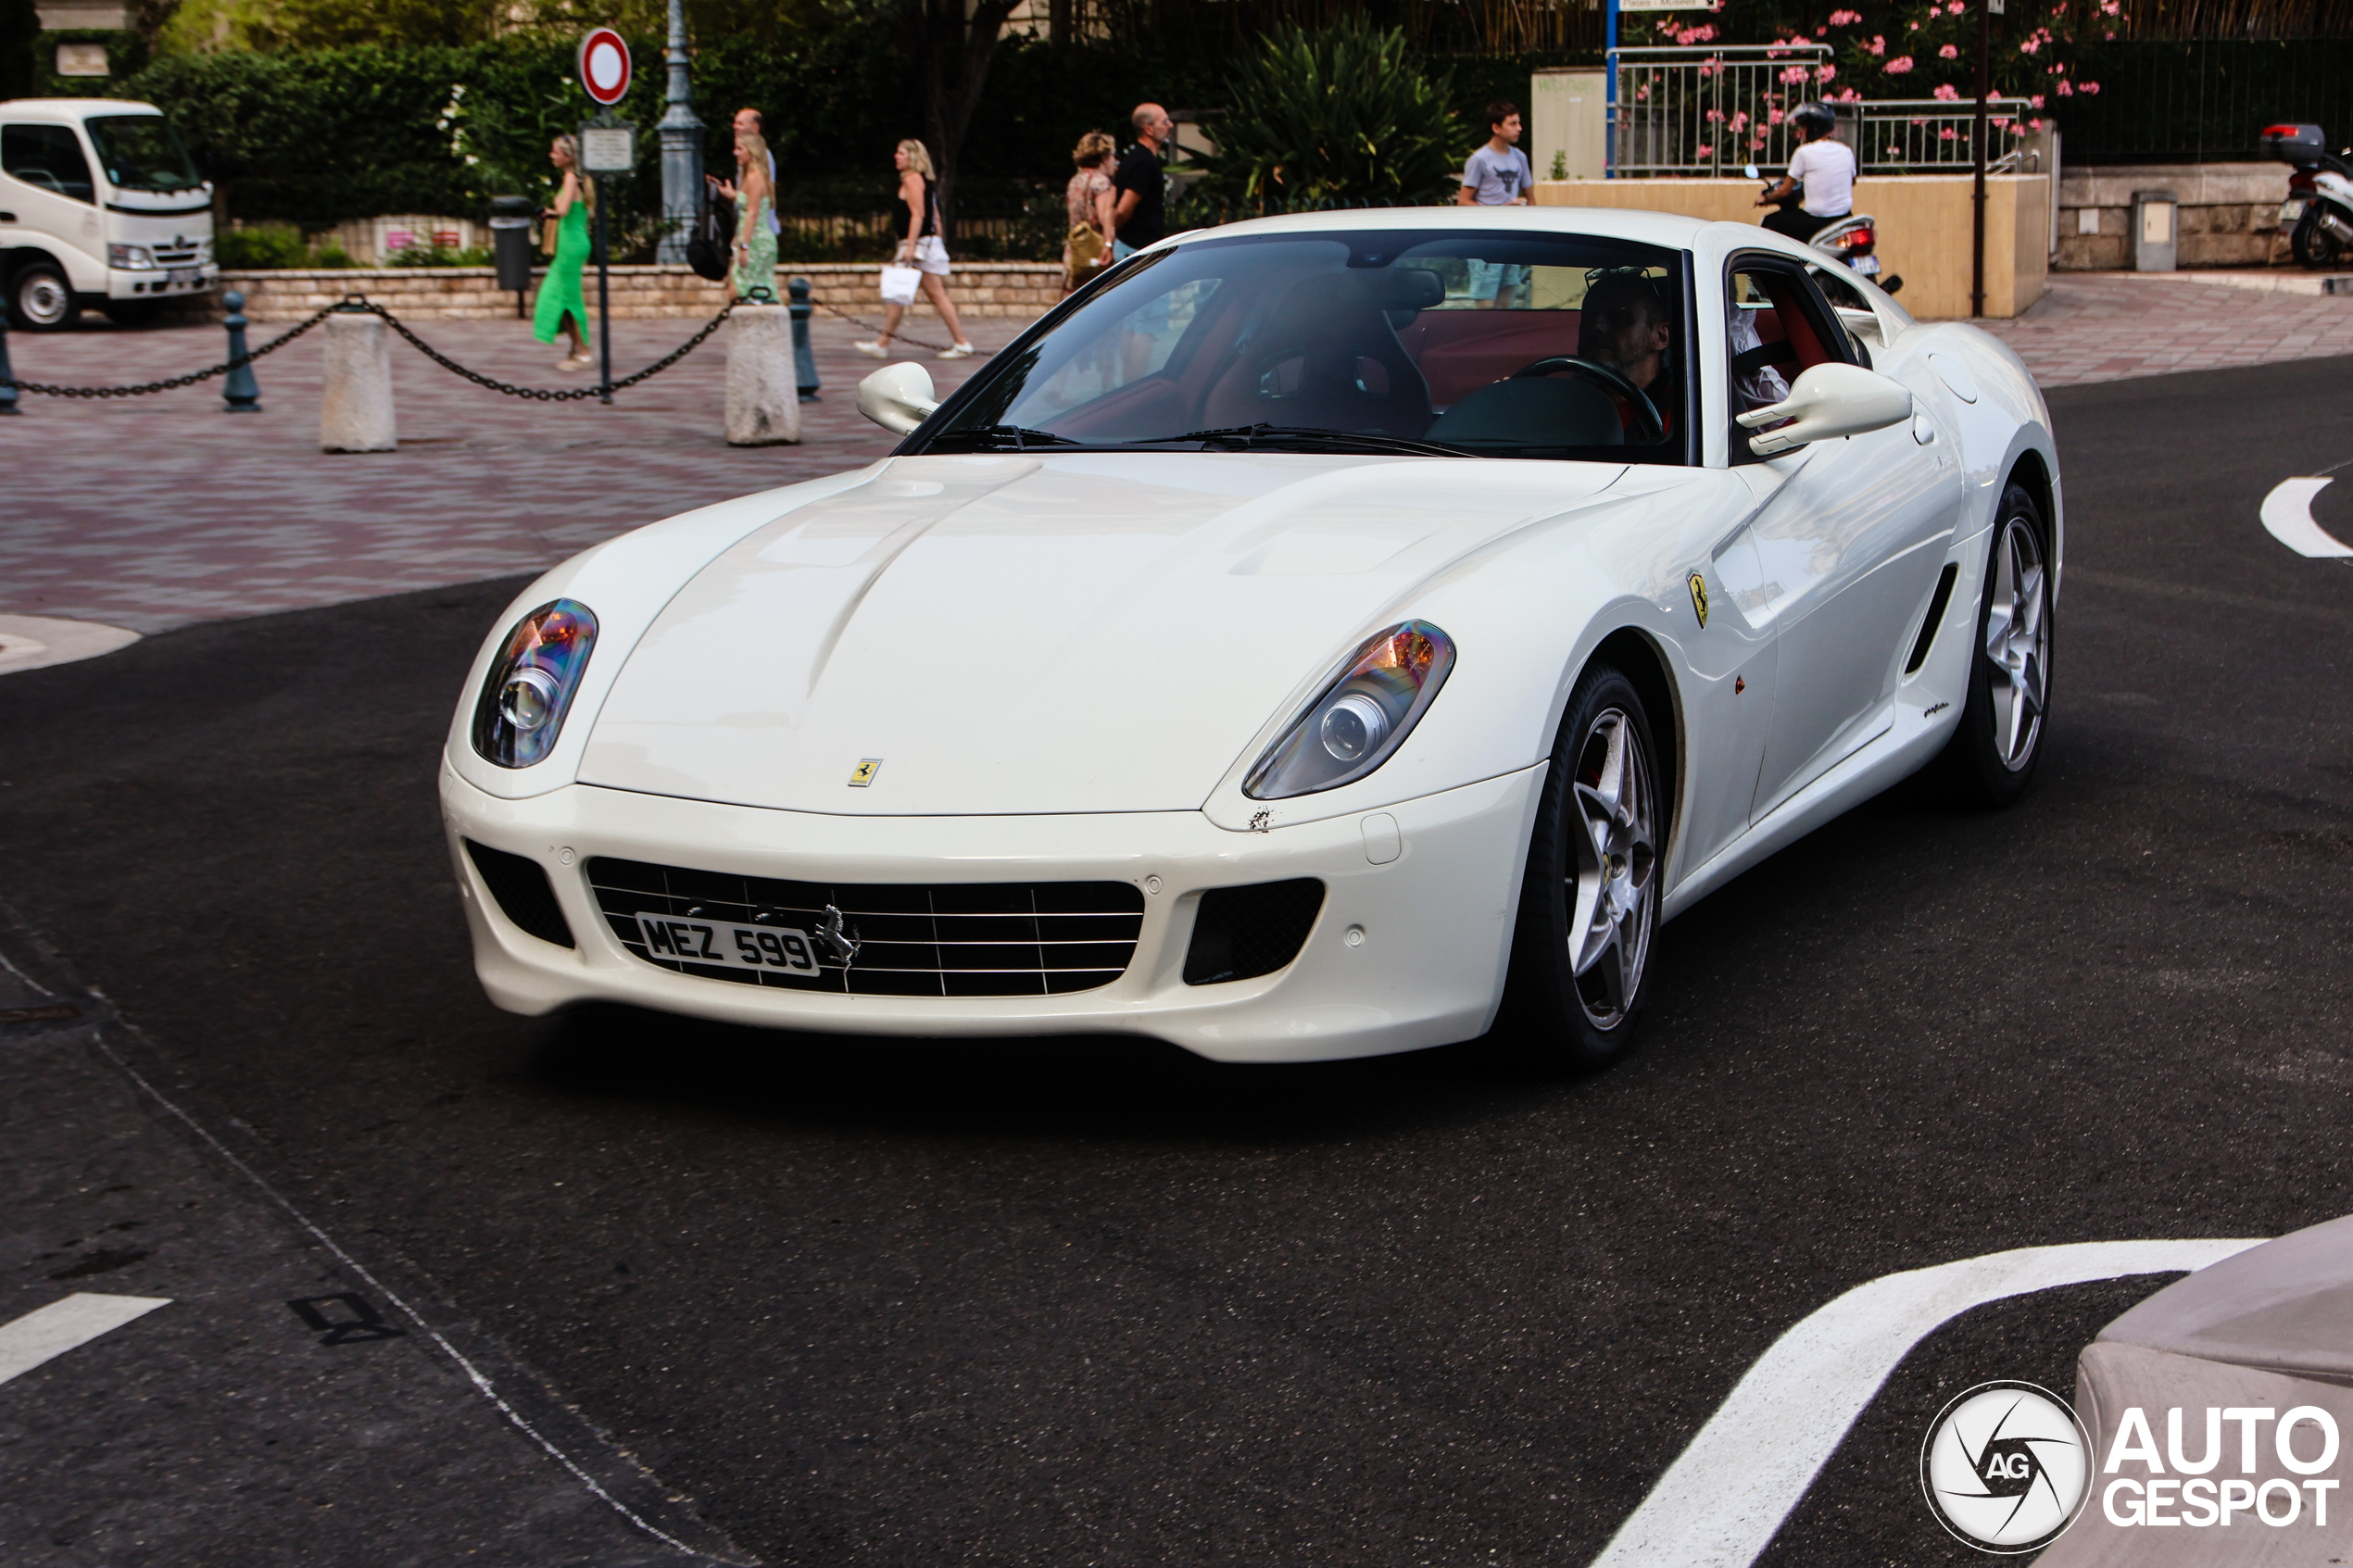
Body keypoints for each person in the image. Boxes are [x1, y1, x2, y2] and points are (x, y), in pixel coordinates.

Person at [854, 139, 975, 361]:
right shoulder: (920, 181)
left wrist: (910, 245)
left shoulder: (912, 180)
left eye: (901, 153)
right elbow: (935, 214)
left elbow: (918, 214)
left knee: (931, 294)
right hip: (923, 244)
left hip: (917, 246)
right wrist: (935, 238)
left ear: (913, 157)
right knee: (903, 295)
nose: (896, 156)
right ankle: (883, 343)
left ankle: (961, 341)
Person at [1576, 269, 1676, 437]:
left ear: (1660, 336)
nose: (1596, 327)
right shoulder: (1564, 401)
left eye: (1620, 317)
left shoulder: (1684, 413)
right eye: (1588, 318)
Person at [533, 134, 593, 371]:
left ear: (567, 156)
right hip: (573, 243)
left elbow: (564, 209)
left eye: (555, 152)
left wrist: (548, 212)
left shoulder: (570, 178)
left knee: (565, 297)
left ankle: (584, 352)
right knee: (562, 297)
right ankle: (577, 347)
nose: (552, 155)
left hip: (570, 246)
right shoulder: (579, 179)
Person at [1757, 103, 1856, 244]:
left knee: (1770, 221)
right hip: (1845, 218)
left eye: (1803, 127)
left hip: (1816, 221)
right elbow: (1852, 181)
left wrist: (1765, 199)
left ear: (1813, 128)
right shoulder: (1846, 151)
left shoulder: (1804, 152)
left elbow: (1784, 191)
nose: (1801, 132)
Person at [707, 107, 781, 241]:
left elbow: (755, 203)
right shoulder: (747, 161)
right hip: (750, 230)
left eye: (740, 123)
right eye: (735, 123)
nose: (735, 127)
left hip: (757, 232)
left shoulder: (761, 160)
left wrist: (744, 244)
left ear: (755, 128)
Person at [1110, 104, 1173, 261]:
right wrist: (1111, 235)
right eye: (1164, 122)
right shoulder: (1144, 162)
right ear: (1149, 129)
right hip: (1136, 249)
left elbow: (1112, 198)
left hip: (1135, 248)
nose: (1170, 125)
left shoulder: (1133, 158)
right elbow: (1125, 208)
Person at [1063, 130, 1118, 295]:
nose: (1115, 161)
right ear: (1104, 158)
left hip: (1076, 251)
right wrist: (1109, 242)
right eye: (1113, 155)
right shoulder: (1100, 181)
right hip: (1094, 250)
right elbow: (1104, 215)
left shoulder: (1075, 180)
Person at [731, 130, 778, 303]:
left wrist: (744, 246)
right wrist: (733, 195)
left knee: (752, 291)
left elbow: (753, 213)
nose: (735, 153)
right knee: (739, 288)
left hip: (756, 241)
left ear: (751, 151)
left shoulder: (755, 178)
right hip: (750, 239)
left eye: (739, 148)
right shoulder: (749, 177)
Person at [1458, 102, 1532, 207]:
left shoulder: (1520, 157)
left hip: (1513, 221)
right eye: (1513, 124)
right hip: (1488, 222)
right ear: (1496, 128)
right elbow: (1463, 201)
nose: (1519, 128)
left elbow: (1531, 199)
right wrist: (1498, 211)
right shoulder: (1479, 159)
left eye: (1519, 123)